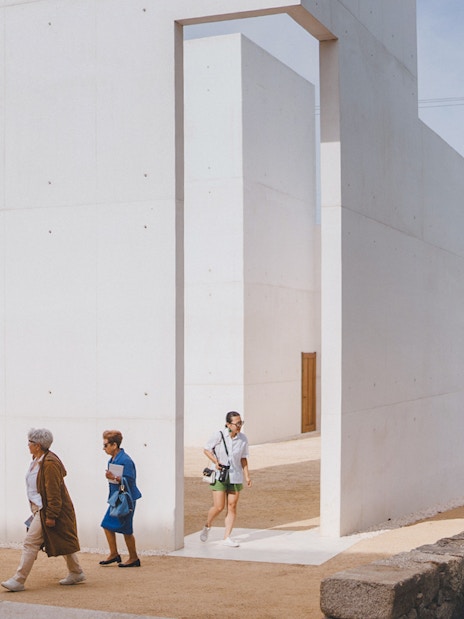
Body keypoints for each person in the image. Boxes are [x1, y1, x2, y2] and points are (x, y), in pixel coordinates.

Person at [1, 428, 85, 592]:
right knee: (62, 539)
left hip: (47, 509)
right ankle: (76, 572)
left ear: (37, 445)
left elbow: (54, 493)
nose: (28, 445)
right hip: (40, 508)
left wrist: (51, 515)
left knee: (30, 543)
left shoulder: (49, 464)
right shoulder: (37, 459)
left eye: (30, 442)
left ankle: (18, 580)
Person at [200, 411, 252, 547]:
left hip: (235, 475)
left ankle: (227, 537)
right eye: (237, 423)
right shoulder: (219, 435)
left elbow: (243, 457)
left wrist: (247, 475)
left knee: (232, 506)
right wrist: (215, 461)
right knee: (219, 506)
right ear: (228, 424)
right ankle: (207, 525)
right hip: (220, 474)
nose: (239, 426)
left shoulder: (243, 439)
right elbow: (206, 449)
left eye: (241, 422)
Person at [100, 430, 142, 567]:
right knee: (108, 525)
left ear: (114, 445)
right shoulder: (113, 459)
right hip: (117, 498)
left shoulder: (125, 460)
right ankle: (115, 553)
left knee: (126, 529)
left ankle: (133, 557)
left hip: (125, 498)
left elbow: (130, 480)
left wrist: (115, 478)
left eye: (106, 445)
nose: (104, 448)